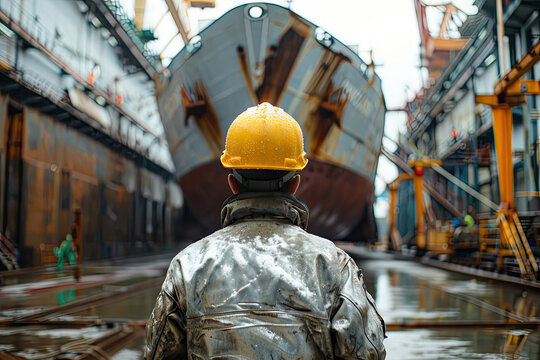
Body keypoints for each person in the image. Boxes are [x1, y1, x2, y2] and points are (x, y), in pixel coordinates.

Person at [145, 103, 386, 359]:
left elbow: (158, 354)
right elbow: (366, 353)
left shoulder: (187, 265)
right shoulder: (334, 265)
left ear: (232, 183)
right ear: (295, 183)